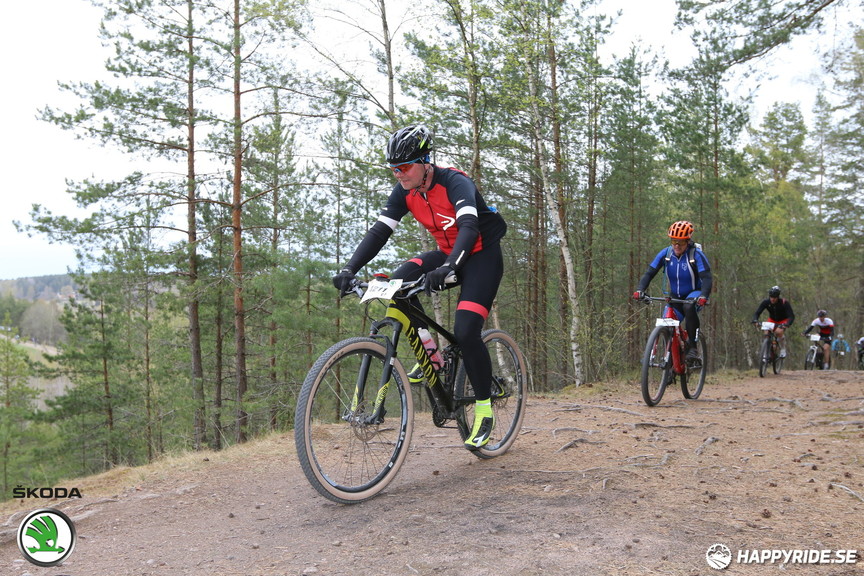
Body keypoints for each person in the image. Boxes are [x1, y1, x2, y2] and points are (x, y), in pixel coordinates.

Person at [332, 124, 507, 451]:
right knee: (397, 285)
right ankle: (432, 355)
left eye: (405, 166)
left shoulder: (455, 182)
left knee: (467, 330)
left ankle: (483, 408)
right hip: (445, 252)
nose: (398, 174)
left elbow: (469, 227)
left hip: (482, 255)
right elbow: (378, 233)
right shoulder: (405, 191)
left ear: (426, 162)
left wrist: (449, 269)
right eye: (393, 168)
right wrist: (349, 269)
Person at [633, 220, 713, 363]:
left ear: (688, 241)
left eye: (680, 242)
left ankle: (693, 347)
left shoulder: (696, 255)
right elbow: (649, 273)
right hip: (675, 297)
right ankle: (670, 362)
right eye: (674, 241)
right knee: (666, 324)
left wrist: (704, 296)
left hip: (694, 294)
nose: (676, 245)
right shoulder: (666, 253)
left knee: (689, 306)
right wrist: (640, 290)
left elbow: (706, 277)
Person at [751, 285, 795, 358]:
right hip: (772, 320)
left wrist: (787, 324)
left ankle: (782, 348)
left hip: (782, 320)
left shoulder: (784, 303)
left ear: (778, 297)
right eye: (771, 297)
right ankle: (766, 350)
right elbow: (757, 312)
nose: (772, 299)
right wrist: (755, 320)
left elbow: (791, 316)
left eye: (774, 297)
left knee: (778, 332)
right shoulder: (766, 302)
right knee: (766, 332)